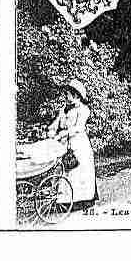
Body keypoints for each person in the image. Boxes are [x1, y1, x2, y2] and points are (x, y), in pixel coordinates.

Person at [47, 79, 98, 210]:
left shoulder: (83, 110)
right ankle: (62, 200)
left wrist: (62, 134)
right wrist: (51, 130)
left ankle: (81, 201)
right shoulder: (64, 109)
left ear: (76, 95)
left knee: (78, 171)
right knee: (63, 169)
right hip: (64, 143)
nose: (65, 96)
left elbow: (78, 128)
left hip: (79, 144)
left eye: (67, 94)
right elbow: (56, 123)